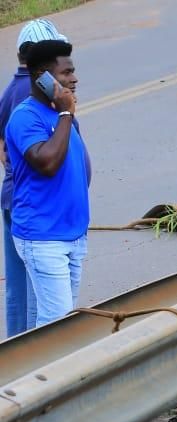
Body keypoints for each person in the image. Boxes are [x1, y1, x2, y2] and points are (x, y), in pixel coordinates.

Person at [5, 39, 89, 328]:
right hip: (43, 238)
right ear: (42, 76)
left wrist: (64, 114)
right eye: (66, 73)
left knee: (54, 323)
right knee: (58, 326)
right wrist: (66, 113)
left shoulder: (58, 114)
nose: (74, 78)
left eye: (73, 71)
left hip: (72, 235)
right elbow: (47, 163)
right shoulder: (25, 117)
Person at [0, 19, 67, 337]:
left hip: (15, 199)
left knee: (18, 285)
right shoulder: (27, 98)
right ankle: (26, 355)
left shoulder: (12, 92)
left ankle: (14, 353)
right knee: (34, 293)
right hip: (31, 207)